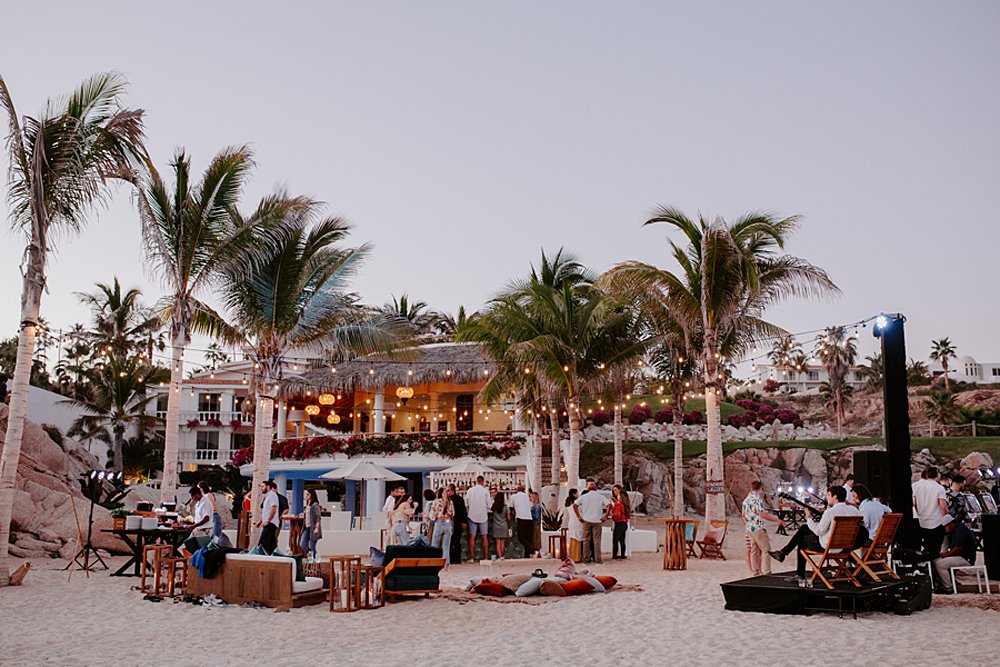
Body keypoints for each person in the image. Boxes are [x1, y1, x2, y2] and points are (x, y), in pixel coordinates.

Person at [769, 485, 861, 580]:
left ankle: (798, 572)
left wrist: (808, 517)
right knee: (804, 529)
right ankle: (783, 554)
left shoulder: (831, 512)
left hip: (828, 546)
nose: (827, 498)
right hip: (845, 546)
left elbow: (819, 531)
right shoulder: (854, 511)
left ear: (835, 497)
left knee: (802, 541)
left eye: (829, 495)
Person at [741, 480, 784, 576]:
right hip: (758, 528)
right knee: (766, 550)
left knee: (754, 550)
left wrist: (748, 525)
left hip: (749, 528)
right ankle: (767, 571)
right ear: (760, 488)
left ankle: (755, 572)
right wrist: (776, 520)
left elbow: (743, 515)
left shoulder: (746, 500)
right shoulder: (758, 499)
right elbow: (762, 514)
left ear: (751, 488)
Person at [933, 514, 978, 593]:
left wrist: (945, 555)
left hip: (966, 558)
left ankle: (948, 587)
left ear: (950, 524)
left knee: (940, 564)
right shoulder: (954, 530)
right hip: (960, 556)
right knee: (935, 562)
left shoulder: (960, 530)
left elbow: (958, 548)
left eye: (946, 526)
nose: (946, 529)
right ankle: (944, 583)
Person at [913, 465, 949, 556]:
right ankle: (934, 567)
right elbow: (943, 507)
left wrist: (920, 513)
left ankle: (926, 565)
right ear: (937, 476)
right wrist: (947, 520)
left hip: (923, 521)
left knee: (927, 546)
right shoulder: (939, 488)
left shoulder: (918, 487)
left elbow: (915, 503)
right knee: (935, 548)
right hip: (936, 522)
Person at [574, 480, 611, 563]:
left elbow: (575, 505)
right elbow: (609, 505)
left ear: (587, 487)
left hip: (586, 520)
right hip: (597, 521)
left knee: (586, 540)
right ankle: (598, 559)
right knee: (597, 541)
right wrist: (605, 516)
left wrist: (579, 516)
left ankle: (585, 558)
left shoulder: (584, 497)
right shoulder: (600, 496)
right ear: (596, 488)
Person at [465, 475, 491, 561]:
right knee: (484, 537)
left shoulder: (470, 490)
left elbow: (466, 503)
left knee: (472, 537)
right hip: (483, 515)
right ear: (483, 481)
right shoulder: (485, 491)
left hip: (472, 515)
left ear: (476, 481)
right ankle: (486, 557)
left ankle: (472, 558)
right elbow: (489, 505)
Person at [429, 487, 455, 568]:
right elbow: (453, 513)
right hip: (448, 522)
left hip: (439, 522)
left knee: (435, 545)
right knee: (446, 546)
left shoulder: (436, 502)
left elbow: (432, 514)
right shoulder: (450, 502)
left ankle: (434, 563)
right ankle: (446, 564)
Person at [508, 484, 534, 558]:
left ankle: (530, 549)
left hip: (521, 518)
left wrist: (513, 515)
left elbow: (511, 508)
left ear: (517, 490)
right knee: (528, 537)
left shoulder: (513, 497)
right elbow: (531, 506)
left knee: (521, 537)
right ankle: (527, 555)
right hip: (529, 518)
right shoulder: (527, 496)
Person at [256, 480, 280, 555]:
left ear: (268, 487)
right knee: (271, 545)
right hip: (267, 522)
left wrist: (268, 520)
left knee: (262, 543)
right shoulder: (268, 496)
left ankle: (261, 558)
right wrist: (260, 521)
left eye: (263, 486)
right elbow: (265, 511)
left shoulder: (272, 495)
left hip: (270, 523)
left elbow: (274, 508)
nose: (261, 488)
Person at [610, 485, 632, 560]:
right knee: (622, 539)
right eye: (614, 490)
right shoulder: (623, 497)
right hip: (622, 521)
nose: (615, 492)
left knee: (616, 539)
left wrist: (615, 502)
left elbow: (621, 507)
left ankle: (615, 555)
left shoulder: (621, 497)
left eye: (616, 490)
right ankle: (622, 554)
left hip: (620, 521)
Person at [300, 489, 322, 561]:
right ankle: (311, 555)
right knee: (302, 544)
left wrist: (316, 528)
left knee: (312, 546)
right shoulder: (308, 505)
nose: (306, 496)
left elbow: (318, 517)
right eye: (306, 494)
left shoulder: (315, 505)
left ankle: (315, 559)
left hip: (312, 528)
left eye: (308, 494)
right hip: (307, 527)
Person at [562, 488, 584, 561]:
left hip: (571, 522)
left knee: (573, 539)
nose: (578, 495)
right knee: (578, 539)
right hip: (577, 522)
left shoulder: (568, 504)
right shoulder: (577, 503)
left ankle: (572, 556)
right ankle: (577, 557)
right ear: (574, 494)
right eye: (577, 493)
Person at [449, 483, 467, 564]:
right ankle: (455, 559)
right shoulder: (454, 499)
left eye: (448, 490)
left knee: (455, 541)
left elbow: (463, 511)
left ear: (453, 490)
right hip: (455, 522)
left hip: (457, 522)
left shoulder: (457, 499)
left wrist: (464, 521)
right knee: (453, 541)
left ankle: (455, 559)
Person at [489, 486, 508, 559]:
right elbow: (508, 517)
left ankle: (499, 557)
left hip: (496, 526)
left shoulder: (494, 507)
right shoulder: (505, 507)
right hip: (504, 525)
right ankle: (501, 556)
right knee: (503, 543)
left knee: (498, 543)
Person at [530, 491, 543, 558]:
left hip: (536, 524)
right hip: (535, 524)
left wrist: (530, 513)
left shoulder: (537, 506)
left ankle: (537, 552)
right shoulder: (535, 506)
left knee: (536, 538)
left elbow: (537, 516)